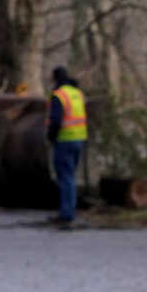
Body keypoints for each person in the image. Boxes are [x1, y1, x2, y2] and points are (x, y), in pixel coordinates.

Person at [48, 67, 88, 227]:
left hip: (64, 139)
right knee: (71, 176)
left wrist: (50, 136)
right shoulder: (77, 93)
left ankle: (66, 213)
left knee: (65, 177)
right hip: (79, 139)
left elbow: (56, 120)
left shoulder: (59, 95)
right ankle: (70, 209)